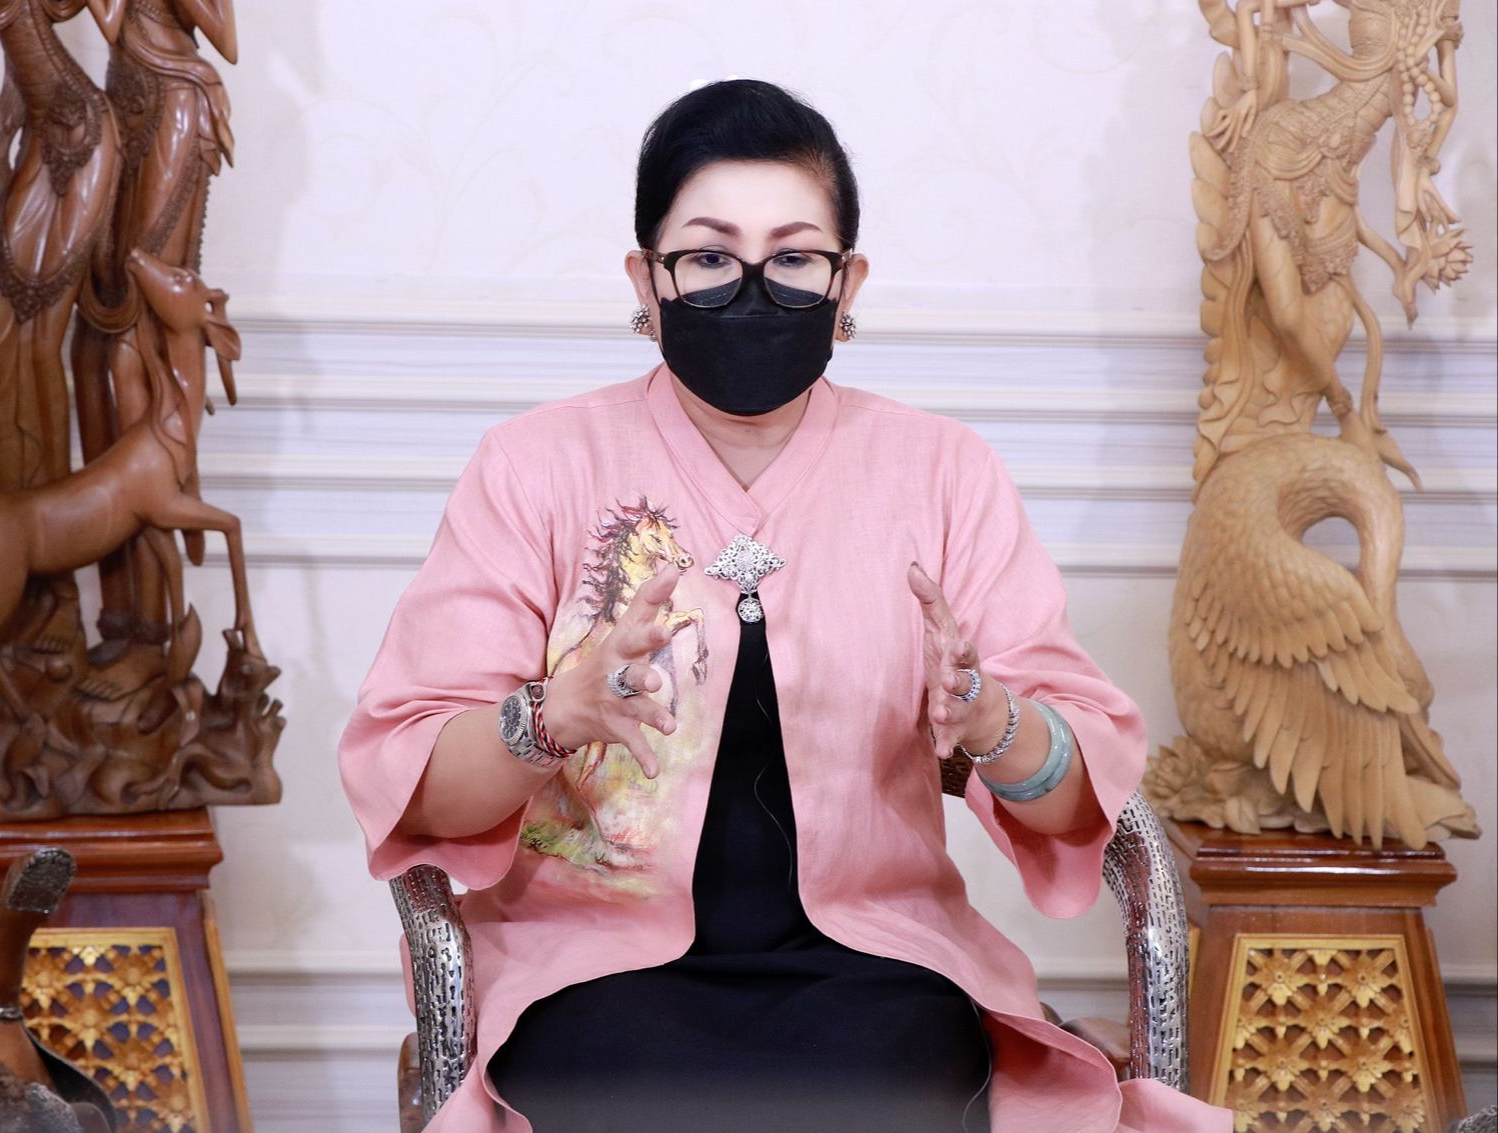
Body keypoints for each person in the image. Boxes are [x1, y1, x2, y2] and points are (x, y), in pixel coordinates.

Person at [339, 79, 1230, 1133]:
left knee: (881, 1095)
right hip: (588, 963)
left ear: (848, 284)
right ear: (646, 278)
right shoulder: (533, 465)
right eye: (708, 258)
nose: (752, 289)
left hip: (877, 965)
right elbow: (418, 787)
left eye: (795, 259)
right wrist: (553, 715)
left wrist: (995, 722)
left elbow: (1080, 800)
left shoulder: (942, 469)